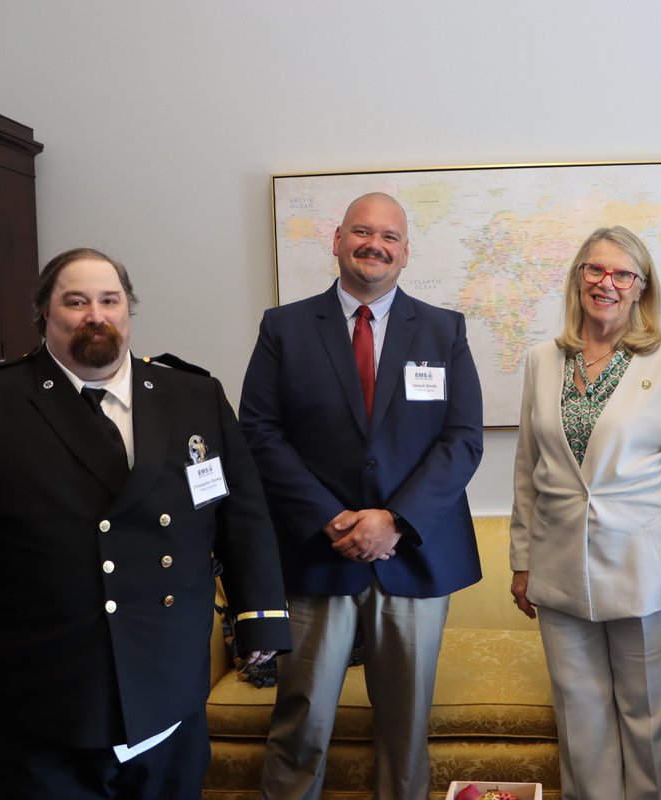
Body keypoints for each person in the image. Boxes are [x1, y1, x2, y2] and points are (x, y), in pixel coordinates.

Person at [0, 247, 291, 799]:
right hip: (43, 688)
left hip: (168, 676)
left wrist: (260, 616)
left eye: (110, 300)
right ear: (44, 315)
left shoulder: (193, 395)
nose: (96, 315)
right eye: (75, 302)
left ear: (129, 310)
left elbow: (243, 515)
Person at [240, 192, 484, 800]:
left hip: (414, 554)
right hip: (316, 554)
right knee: (303, 719)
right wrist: (330, 518)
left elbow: (462, 439)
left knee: (406, 730)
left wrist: (394, 520)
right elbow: (259, 433)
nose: (375, 244)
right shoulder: (284, 327)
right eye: (362, 232)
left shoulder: (443, 329)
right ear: (338, 240)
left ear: (406, 252)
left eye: (389, 236)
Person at [509, 226, 661, 800]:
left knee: (650, 723)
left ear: (640, 289)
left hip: (648, 575)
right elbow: (528, 472)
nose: (607, 283)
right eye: (595, 270)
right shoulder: (540, 360)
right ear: (578, 276)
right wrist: (521, 561)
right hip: (558, 572)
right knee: (581, 726)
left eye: (622, 274)